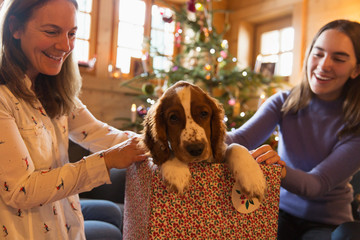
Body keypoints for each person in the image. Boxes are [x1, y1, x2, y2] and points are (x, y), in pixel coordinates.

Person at [0, 0, 147, 239]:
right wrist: (106, 161)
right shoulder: (3, 97)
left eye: (72, 34)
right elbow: (21, 190)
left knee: (111, 216)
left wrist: (159, 146)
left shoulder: (51, 89)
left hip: (63, 221)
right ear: (15, 28)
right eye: (52, 32)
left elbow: (99, 133)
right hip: (23, 230)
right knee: (110, 230)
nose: (65, 45)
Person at [226, 19, 360, 240]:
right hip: (278, 212)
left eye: (338, 58)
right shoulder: (283, 102)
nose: (324, 64)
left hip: (326, 225)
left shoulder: (355, 126)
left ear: (356, 70)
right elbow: (239, 138)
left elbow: (318, 184)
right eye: (318, 53)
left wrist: (279, 169)